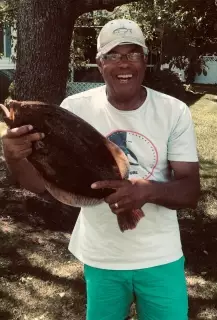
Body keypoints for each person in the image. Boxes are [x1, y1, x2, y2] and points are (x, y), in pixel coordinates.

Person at [1, 19, 200, 320]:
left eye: (133, 54)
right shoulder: (74, 107)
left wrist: (148, 191)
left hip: (162, 256)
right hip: (101, 257)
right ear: (98, 62)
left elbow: (190, 190)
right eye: (113, 54)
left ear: (145, 60)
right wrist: (15, 158)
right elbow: (41, 185)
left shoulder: (174, 111)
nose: (124, 63)